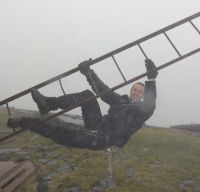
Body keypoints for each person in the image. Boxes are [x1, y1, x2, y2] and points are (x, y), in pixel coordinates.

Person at [7, 58, 158, 150]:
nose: (137, 92)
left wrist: (151, 79)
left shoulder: (141, 110)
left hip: (100, 139)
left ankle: (21, 122)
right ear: (131, 91)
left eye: (140, 91)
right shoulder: (121, 101)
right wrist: (88, 72)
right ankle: (48, 103)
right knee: (87, 95)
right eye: (135, 89)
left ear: (143, 95)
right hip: (97, 125)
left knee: (57, 132)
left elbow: (150, 104)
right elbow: (103, 91)